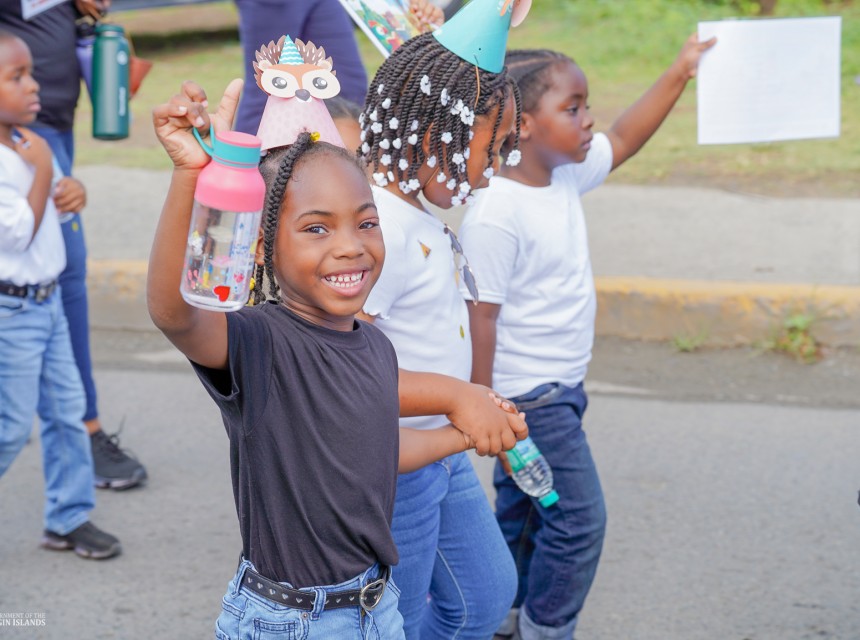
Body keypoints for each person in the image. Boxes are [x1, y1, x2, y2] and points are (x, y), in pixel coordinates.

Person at [148, 76, 526, 639]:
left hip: (376, 607)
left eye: (366, 222)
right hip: (290, 620)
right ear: (261, 244)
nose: (350, 244)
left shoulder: (372, 342)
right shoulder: (260, 345)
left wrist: (466, 432)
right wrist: (190, 179)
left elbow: (373, 452)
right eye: (316, 228)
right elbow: (175, 312)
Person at [459, 36, 717, 640]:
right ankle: (547, 626)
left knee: (527, 517)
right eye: (572, 108)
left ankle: (498, 618)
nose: (589, 119)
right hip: (529, 402)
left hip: (560, 390)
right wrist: (481, 404)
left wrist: (679, 72)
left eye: (585, 105)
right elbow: (480, 317)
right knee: (577, 521)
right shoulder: (497, 212)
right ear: (523, 125)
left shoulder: (564, 177)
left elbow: (625, 136)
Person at [355, 1, 528, 636]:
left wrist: (470, 401)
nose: (493, 173)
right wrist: (458, 399)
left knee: (484, 594)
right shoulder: (376, 229)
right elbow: (345, 373)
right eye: (492, 149)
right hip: (396, 464)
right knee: (393, 617)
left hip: (438, 449)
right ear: (434, 139)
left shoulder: (415, 213)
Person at [0, 0, 149, 490]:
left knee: (60, 272)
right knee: (56, 274)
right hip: (21, 129)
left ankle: (70, 455)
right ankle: (80, 427)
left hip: (54, 115)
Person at [0, 29, 121, 560]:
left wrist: (73, 192)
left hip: (46, 305)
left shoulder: (26, 142)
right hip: (13, 312)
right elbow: (18, 231)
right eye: (17, 76)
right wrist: (47, 169)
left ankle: (68, 518)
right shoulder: (29, 154)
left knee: (68, 412)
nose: (35, 84)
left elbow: (54, 207)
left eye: (30, 72)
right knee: (8, 428)